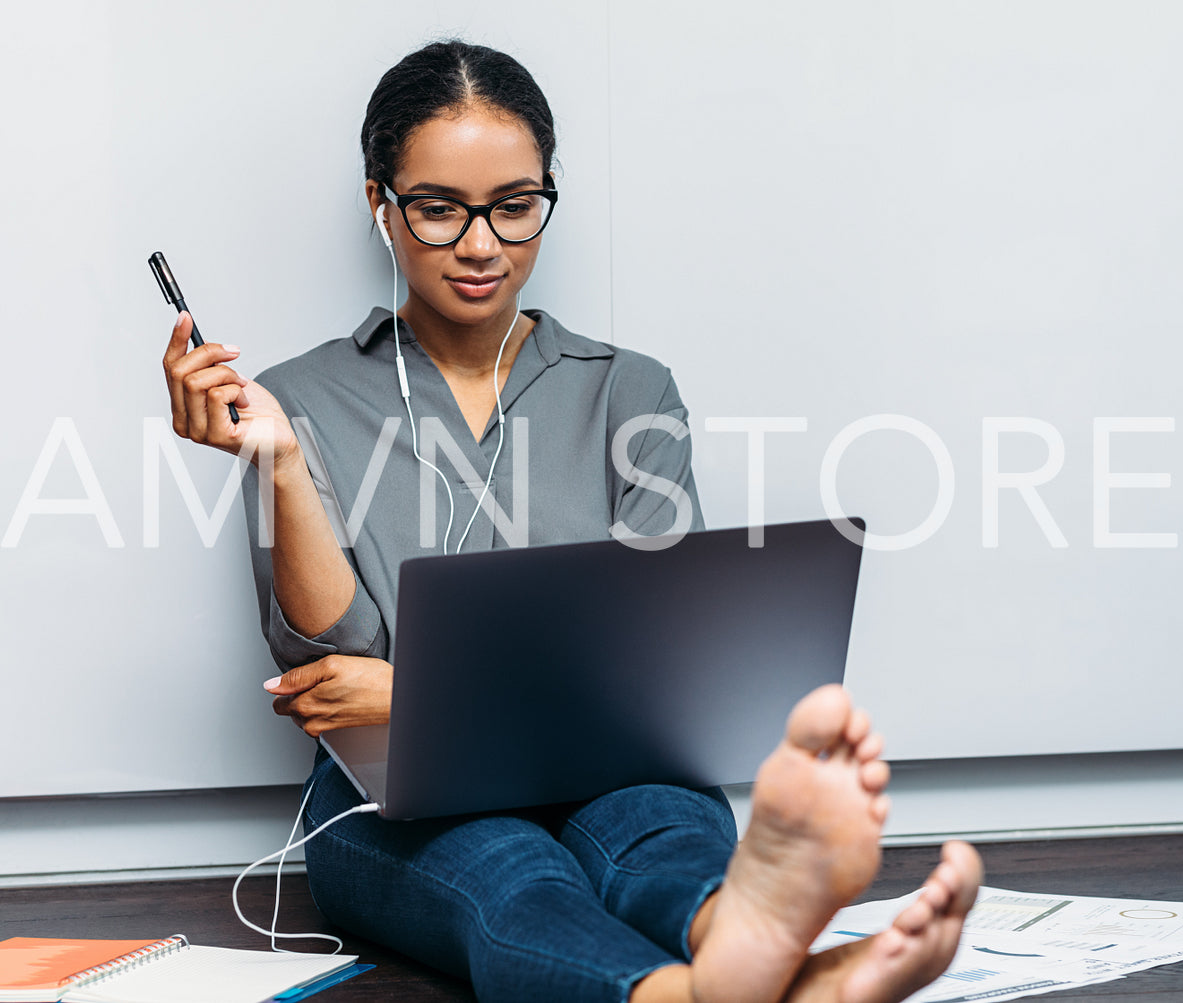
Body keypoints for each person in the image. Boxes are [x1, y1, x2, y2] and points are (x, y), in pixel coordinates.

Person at [162, 39, 982, 1003]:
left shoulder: (630, 391)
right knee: (509, 873)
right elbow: (329, 672)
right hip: (393, 802)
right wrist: (283, 464)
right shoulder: (293, 400)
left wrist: (414, 693)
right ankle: (755, 985)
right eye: (437, 209)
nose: (482, 245)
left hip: (621, 778)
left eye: (515, 206)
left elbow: (664, 675)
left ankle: (746, 936)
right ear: (379, 204)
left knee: (666, 837)